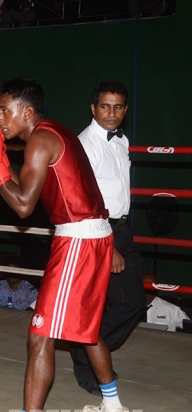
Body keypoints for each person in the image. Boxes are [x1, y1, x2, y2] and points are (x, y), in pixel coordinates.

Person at [0, 78, 133, 412]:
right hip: (93, 235)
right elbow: (49, 187)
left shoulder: (40, 140)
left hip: (77, 239)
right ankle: (115, 409)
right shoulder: (57, 131)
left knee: (41, 334)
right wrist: (1, 162)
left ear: (27, 111)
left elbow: (24, 206)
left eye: (5, 111)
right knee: (84, 331)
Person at [69, 81, 147, 395]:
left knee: (134, 302)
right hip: (99, 230)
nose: (111, 113)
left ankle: (85, 346)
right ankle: (88, 360)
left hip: (123, 228)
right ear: (93, 108)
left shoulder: (121, 140)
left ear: (125, 110)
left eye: (118, 107)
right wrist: (108, 242)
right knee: (99, 302)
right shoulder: (85, 145)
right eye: (105, 106)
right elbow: (83, 198)